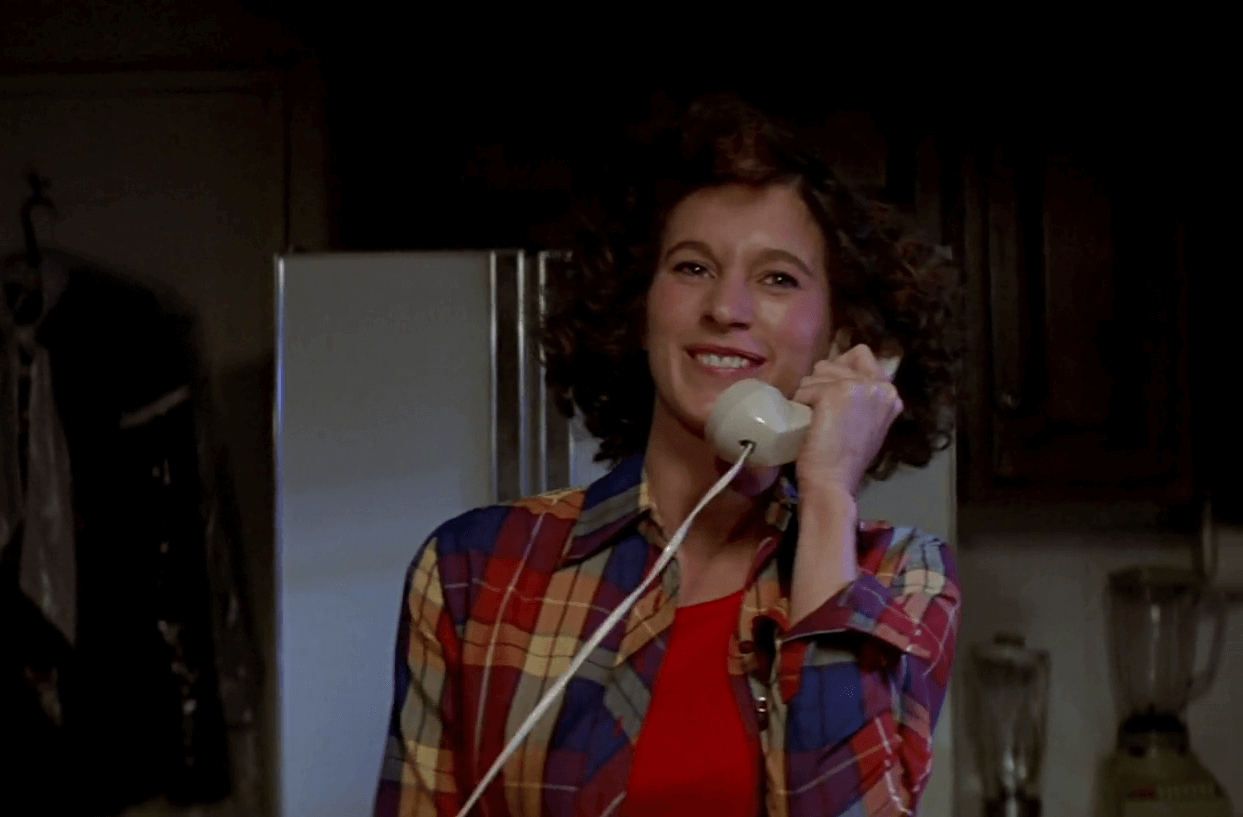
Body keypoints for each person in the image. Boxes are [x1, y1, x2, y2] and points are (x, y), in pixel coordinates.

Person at [374, 94, 962, 817]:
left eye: (777, 278)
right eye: (691, 267)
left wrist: (829, 494)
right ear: (641, 308)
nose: (726, 307)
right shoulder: (473, 568)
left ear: (843, 341)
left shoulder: (900, 577)